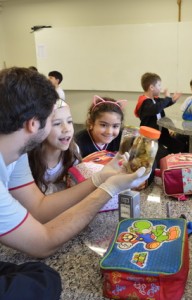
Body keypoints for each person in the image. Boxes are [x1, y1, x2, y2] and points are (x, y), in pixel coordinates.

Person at [0, 67, 149, 299]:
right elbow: (43, 242)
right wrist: (110, 189)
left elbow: (39, 208)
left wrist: (102, 176)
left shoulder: (15, 153)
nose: (66, 127)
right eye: (53, 119)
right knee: (44, 280)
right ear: (33, 124)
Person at [28, 99, 81, 194]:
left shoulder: (73, 151)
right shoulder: (28, 156)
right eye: (57, 123)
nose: (66, 129)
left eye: (69, 122)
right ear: (40, 128)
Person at [134, 72, 187, 163]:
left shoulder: (154, 99)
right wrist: (167, 97)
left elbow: (163, 103)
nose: (160, 88)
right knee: (163, 155)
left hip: (161, 134)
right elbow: (157, 108)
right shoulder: (145, 102)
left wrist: (172, 100)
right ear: (151, 87)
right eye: (159, 85)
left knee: (180, 146)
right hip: (150, 139)